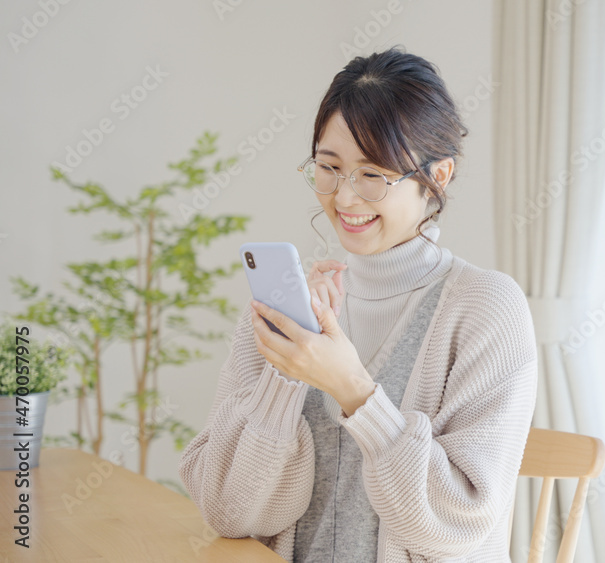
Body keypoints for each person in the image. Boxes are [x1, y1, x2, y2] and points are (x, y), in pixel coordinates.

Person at [178, 47, 538, 562]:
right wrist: (286, 374)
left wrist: (354, 391)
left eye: (373, 175)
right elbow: (227, 511)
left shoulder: (485, 309)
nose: (344, 199)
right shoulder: (286, 307)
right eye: (329, 168)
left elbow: (455, 524)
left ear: (438, 176)